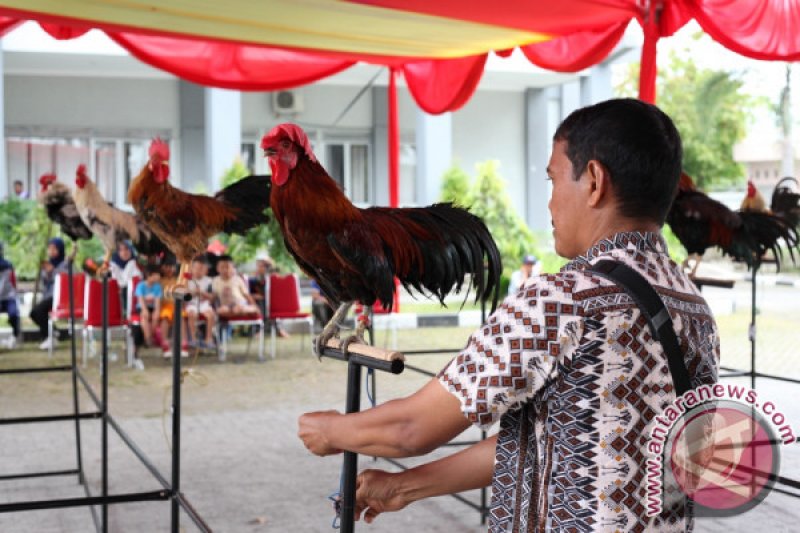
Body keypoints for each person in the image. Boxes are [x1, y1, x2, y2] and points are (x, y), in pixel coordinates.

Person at [297, 99, 720, 531]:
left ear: (594, 181)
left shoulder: (563, 300)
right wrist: (404, 487)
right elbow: (559, 441)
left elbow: (411, 428)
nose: (551, 202)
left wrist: (331, 431)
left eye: (554, 180)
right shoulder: (694, 310)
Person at [30, 237, 69, 350]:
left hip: (61, 297)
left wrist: (53, 271)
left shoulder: (66, 264)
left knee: (38, 311)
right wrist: (46, 273)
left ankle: (51, 336)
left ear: (60, 250)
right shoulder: (48, 264)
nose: (51, 251)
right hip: (49, 296)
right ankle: (54, 333)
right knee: (34, 313)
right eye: (49, 248)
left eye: (54, 248)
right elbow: (45, 281)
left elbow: (65, 279)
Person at [248, 257, 289, 338]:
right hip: (257, 302)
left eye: (263, 266)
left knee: (272, 304)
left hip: (271, 301)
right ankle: (260, 330)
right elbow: (247, 293)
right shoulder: (253, 279)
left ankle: (279, 329)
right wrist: (253, 296)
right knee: (261, 303)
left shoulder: (272, 278)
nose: (260, 268)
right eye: (258, 266)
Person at [185, 256, 216, 349]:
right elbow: (185, 296)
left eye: (202, 269)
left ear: (206, 270)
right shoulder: (188, 281)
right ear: (192, 268)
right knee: (192, 314)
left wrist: (202, 293)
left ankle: (209, 338)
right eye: (197, 268)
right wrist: (193, 293)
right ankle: (194, 339)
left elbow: (212, 297)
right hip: (191, 304)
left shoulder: (210, 281)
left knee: (210, 315)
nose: (199, 271)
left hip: (204, 304)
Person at [134, 265, 163, 350]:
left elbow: (157, 300)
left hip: (153, 307)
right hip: (142, 307)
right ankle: (148, 339)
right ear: (149, 275)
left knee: (156, 317)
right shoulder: (141, 285)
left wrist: (157, 310)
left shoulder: (158, 286)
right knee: (144, 317)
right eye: (156, 274)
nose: (158, 276)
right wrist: (144, 310)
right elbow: (141, 300)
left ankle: (151, 336)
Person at [109, 240, 141, 316]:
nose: (124, 252)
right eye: (121, 250)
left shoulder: (134, 263)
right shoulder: (114, 264)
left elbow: (125, 282)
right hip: (115, 302)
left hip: (133, 301)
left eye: (126, 249)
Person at [0, 242, 21, 349]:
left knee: (13, 313)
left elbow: (13, 283)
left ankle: (16, 335)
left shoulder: (8, 266)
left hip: (8, 297)